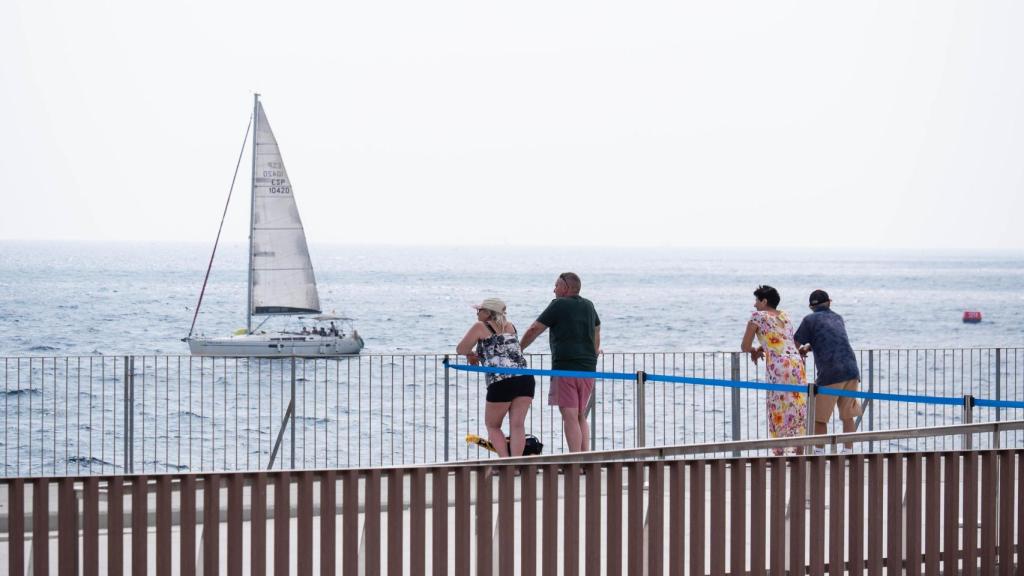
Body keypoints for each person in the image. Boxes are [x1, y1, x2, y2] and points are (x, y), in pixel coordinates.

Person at [519, 272, 601, 453]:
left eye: (556, 285)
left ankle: (575, 460)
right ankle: (585, 458)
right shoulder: (588, 305)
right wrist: (594, 352)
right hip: (588, 368)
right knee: (580, 416)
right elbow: (597, 329)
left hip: (565, 368)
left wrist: (519, 349)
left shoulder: (558, 304)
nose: (553, 289)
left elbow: (535, 329)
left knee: (569, 416)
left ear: (565, 288)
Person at [456, 297, 536, 457]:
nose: (477, 313)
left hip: (501, 381)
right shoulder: (510, 326)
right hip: (525, 379)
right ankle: (517, 464)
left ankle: (505, 463)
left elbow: (461, 348)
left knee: (492, 426)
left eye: (480, 310)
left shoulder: (480, 326)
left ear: (488, 313)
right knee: (518, 426)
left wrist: (471, 353)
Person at [740, 285, 807, 455]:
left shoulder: (758, 316)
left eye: (756, 300)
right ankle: (799, 449)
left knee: (777, 405)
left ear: (764, 301)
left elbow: (745, 346)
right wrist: (763, 349)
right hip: (796, 364)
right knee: (797, 405)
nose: (754, 305)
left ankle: (779, 451)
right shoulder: (784, 316)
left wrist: (754, 351)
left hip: (778, 366)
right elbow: (781, 340)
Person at [793, 289, 863, 450]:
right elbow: (831, 338)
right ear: (829, 302)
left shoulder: (809, 320)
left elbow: (794, 345)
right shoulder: (838, 317)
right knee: (848, 416)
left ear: (811, 306)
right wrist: (810, 347)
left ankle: (819, 453)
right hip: (851, 369)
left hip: (831, 372)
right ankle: (848, 453)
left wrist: (799, 351)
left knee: (820, 418)